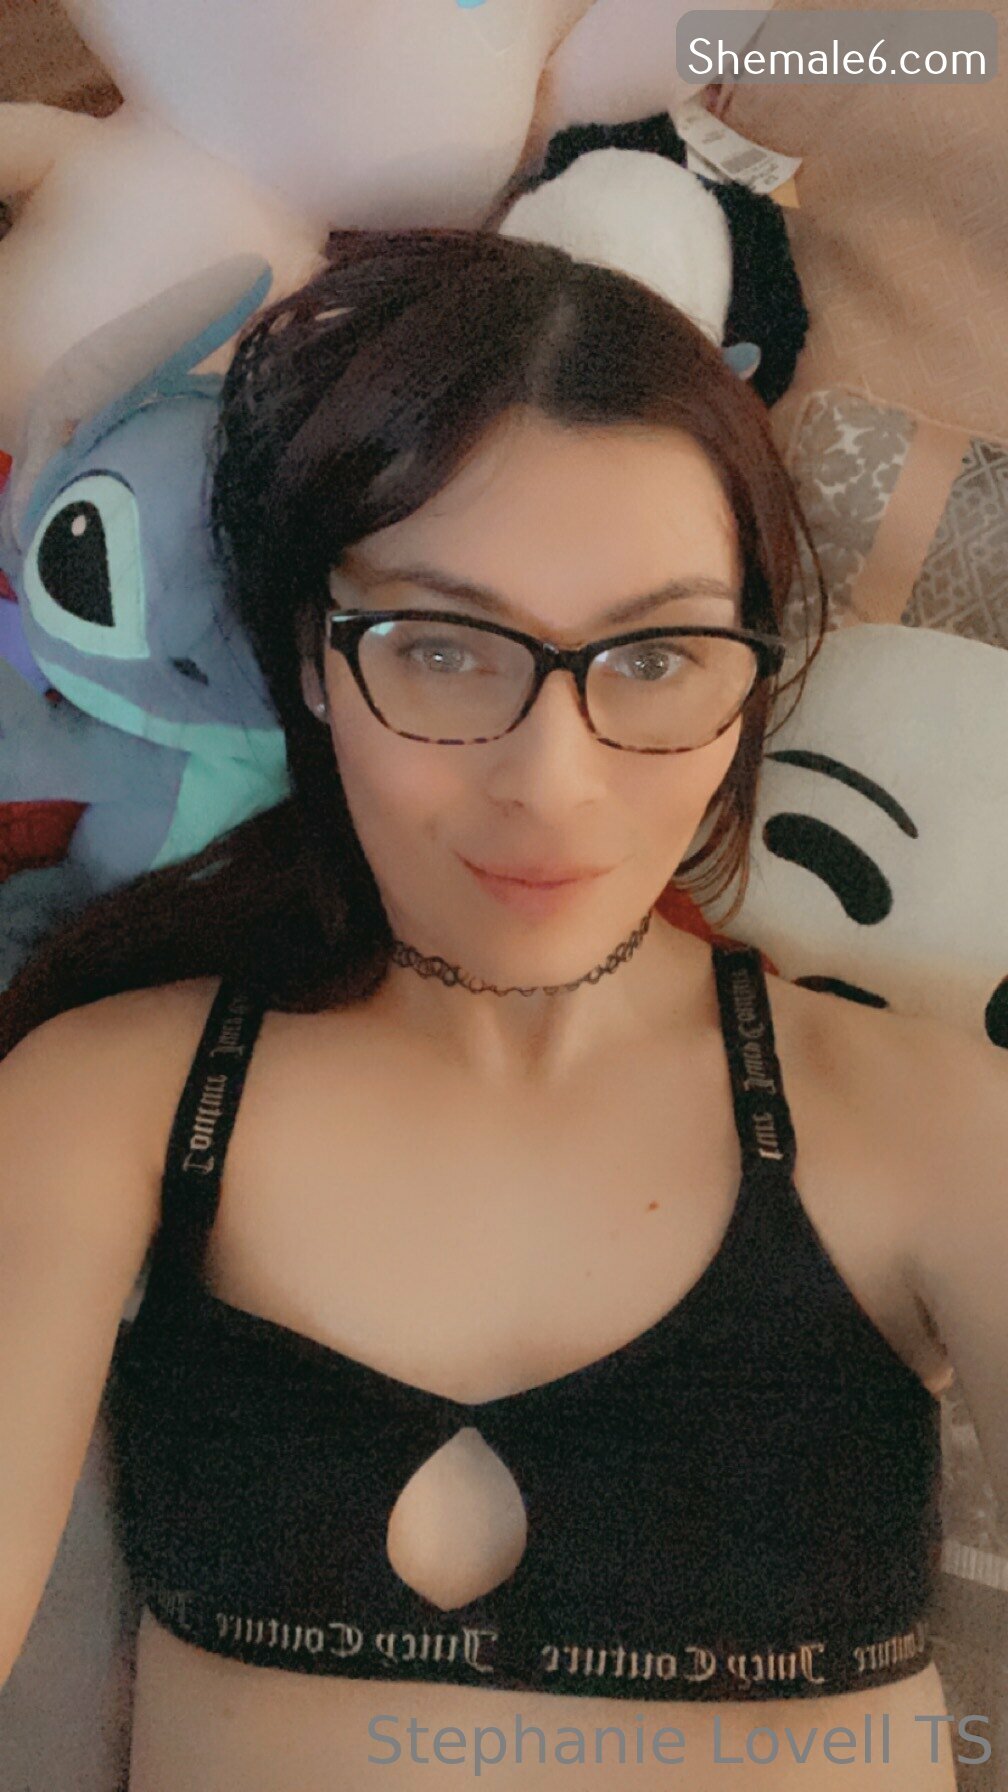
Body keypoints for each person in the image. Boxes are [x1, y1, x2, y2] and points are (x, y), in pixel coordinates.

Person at [1, 227, 1004, 1792]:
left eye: (656, 657)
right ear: (310, 660)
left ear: (747, 678)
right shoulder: (106, 1099)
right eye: (441, 647)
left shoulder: (936, 1126)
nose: (552, 780)